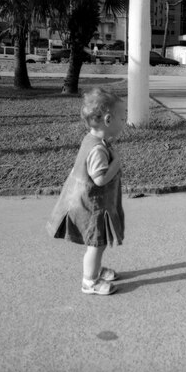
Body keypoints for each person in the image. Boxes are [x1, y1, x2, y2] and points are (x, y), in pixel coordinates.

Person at [47, 88, 127, 295]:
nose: (124, 122)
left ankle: (96, 269)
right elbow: (99, 179)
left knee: (96, 244)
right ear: (108, 120)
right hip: (93, 207)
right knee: (96, 244)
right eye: (122, 118)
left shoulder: (90, 139)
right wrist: (115, 164)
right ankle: (89, 281)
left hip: (90, 202)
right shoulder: (98, 149)